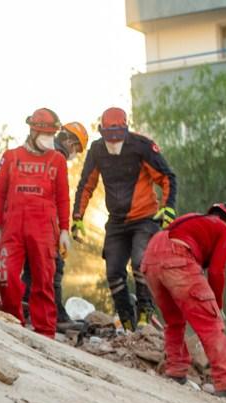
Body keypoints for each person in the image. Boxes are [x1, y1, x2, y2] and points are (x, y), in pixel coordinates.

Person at [72, 107, 177, 331]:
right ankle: (126, 318)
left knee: (141, 262)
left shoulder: (142, 146)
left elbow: (167, 176)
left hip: (145, 218)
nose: (113, 141)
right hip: (116, 222)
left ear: (125, 129)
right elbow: (86, 185)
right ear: (101, 132)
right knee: (113, 272)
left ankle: (145, 311)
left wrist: (168, 208)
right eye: (108, 136)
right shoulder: (97, 150)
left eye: (118, 134)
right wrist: (78, 217)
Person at [141, 201, 226, 400]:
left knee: (174, 321)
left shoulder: (194, 219)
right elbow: (217, 272)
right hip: (178, 257)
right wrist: (218, 306)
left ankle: (175, 371)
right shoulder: (224, 229)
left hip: (150, 258)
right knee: (210, 322)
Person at [0, 108, 70, 339]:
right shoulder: (11, 157)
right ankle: (14, 325)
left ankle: (46, 333)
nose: (49, 139)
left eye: (52, 134)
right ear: (33, 131)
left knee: (44, 282)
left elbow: (63, 197)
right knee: (5, 278)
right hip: (12, 229)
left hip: (44, 230)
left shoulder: (57, 160)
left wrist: (64, 229)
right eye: (45, 134)